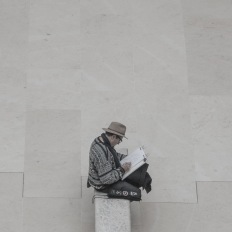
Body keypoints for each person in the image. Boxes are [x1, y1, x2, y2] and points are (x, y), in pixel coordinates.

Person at [87, 122, 132, 191]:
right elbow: (106, 179)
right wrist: (122, 170)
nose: (119, 143)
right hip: (101, 185)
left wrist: (130, 157)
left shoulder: (103, 141)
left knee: (139, 175)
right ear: (113, 137)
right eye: (120, 140)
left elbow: (113, 155)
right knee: (135, 190)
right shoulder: (101, 151)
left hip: (106, 176)